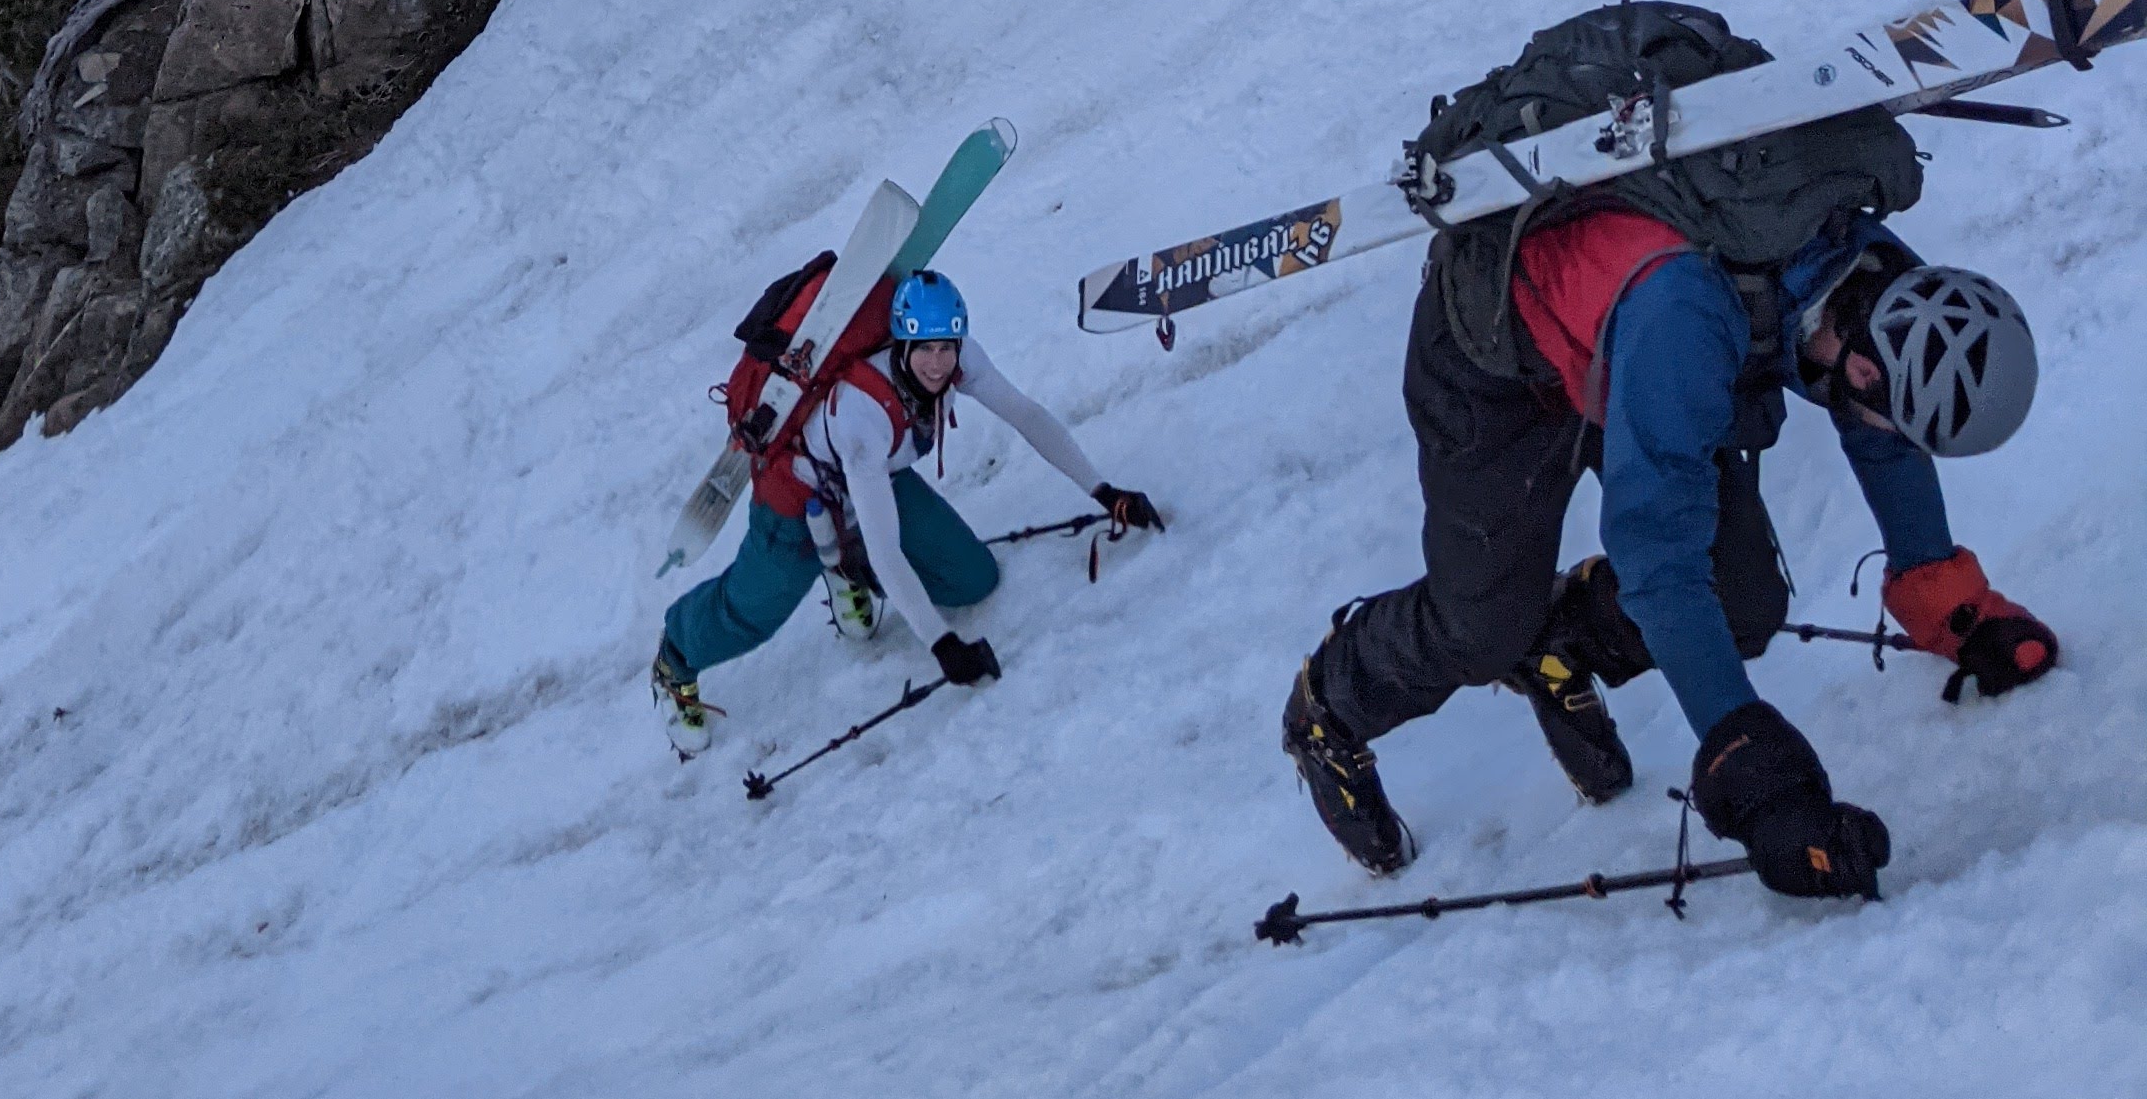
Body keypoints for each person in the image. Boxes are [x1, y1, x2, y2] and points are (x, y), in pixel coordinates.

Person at [1284, 212, 2056, 900]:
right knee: (1482, 624)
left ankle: (1559, 638)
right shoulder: (1688, 322)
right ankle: (1330, 703)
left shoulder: (1876, 278)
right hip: (1499, 356)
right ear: (1861, 368)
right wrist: (1755, 775)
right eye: (1884, 407)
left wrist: (1944, 601)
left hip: (1628, 346)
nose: (1883, 428)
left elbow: (1883, 435)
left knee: (1740, 604)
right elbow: (1657, 555)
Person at [652, 271, 1158, 752]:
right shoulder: (861, 415)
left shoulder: (960, 360)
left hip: (875, 484)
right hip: (797, 498)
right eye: (925, 350)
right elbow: (887, 549)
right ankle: (676, 658)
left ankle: (844, 565)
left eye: (946, 347)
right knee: (753, 611)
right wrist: (943, 644)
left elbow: (1025, 415)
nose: (938, 365)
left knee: (973, 579)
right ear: (902, 344)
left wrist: (1103, 490)